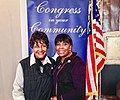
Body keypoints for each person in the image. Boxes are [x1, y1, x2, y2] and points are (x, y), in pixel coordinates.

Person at [12, 31, 55, 100]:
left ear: (47, 47)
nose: (40, 50)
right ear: (32, 47)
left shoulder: (53, 63)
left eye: (43, 46)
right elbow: (17, 91)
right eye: (37, 46)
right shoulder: (23, 65)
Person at [52, 33, 86, 100]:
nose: (61, 47)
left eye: (65, 44)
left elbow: (80, 90)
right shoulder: (58, 61)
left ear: (70, 47)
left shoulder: (77, 63)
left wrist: (60, 98)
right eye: (58, 44)